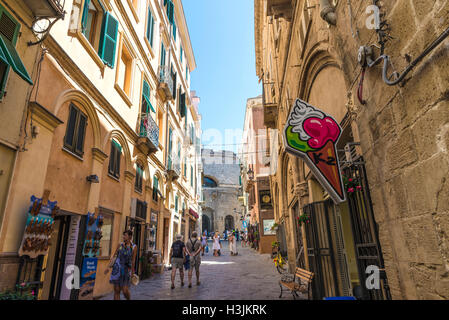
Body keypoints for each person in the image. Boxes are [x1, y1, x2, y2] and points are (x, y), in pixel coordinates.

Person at [105, 230, 137, 300]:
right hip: (117, 269)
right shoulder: (120, 245)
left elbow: (133, 260)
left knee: (125, 290)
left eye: (125, 235)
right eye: (123, 235)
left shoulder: (134, 247)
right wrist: (108, 267)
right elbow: (115, 256)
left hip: (126, 270)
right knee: (116, 290)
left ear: (130, 237)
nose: (123, 237)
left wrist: (132, 272)